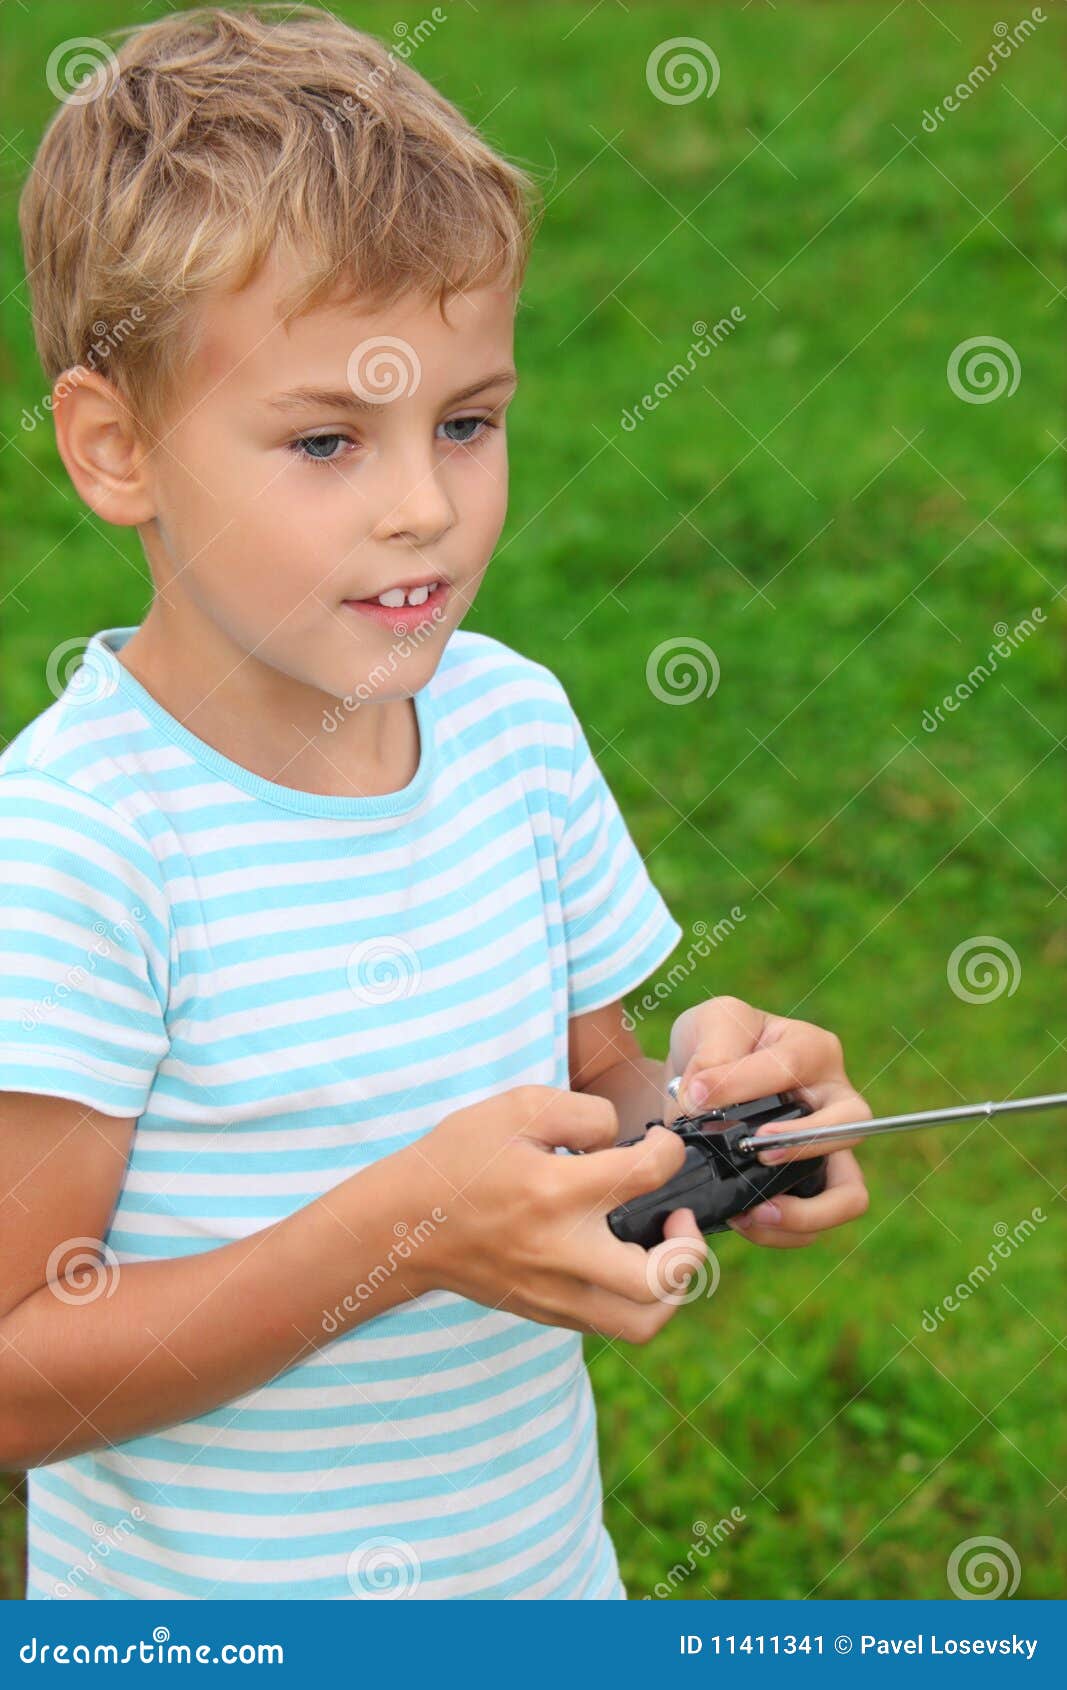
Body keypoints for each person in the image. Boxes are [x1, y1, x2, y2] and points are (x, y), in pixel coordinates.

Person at [0, 4, 870, 1600]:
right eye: (327, 439)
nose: (423, 508)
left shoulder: (511, 727)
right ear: (115, 448)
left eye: (467, 422)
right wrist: (396, 1241)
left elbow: (592, 1083)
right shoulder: (79, 845)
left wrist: (711, 1118)